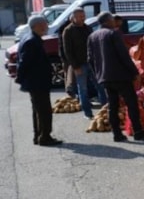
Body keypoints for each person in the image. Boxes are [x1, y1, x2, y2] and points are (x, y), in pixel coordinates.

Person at [87, 12, 144, 142]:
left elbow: (90, 59)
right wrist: (134, 72)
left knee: (112, 105)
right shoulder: (113, 34)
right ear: (107, 21)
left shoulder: (92, 36)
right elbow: (124, 55)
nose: (114, 22)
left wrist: (98, 74)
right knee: (131, 103)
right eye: (112, 19)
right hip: (120, 76)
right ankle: (138, 131)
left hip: (105, 77)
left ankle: (116, 134)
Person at [16, 15, 62, 146]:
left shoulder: (31, 38)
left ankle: (39, 136)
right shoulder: (31, 41)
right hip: (37, 83)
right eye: (45, 25)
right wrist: (21, 79)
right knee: (44, 111)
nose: (47, 27)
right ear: (38, 26)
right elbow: (25, 63)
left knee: (38, 110)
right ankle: (44, 137)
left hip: (36, 82)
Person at [62, 8, 107, 119]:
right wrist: (75, 66)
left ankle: (106, 112)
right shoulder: (68, 31)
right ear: (73, 18)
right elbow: (67, 51)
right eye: (80, 16)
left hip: (92, 63)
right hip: (79, 64)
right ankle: (88, 113)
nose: (83, 18)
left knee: (100, 86)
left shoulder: (87, 28)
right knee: (83, 89)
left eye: (83, 16)